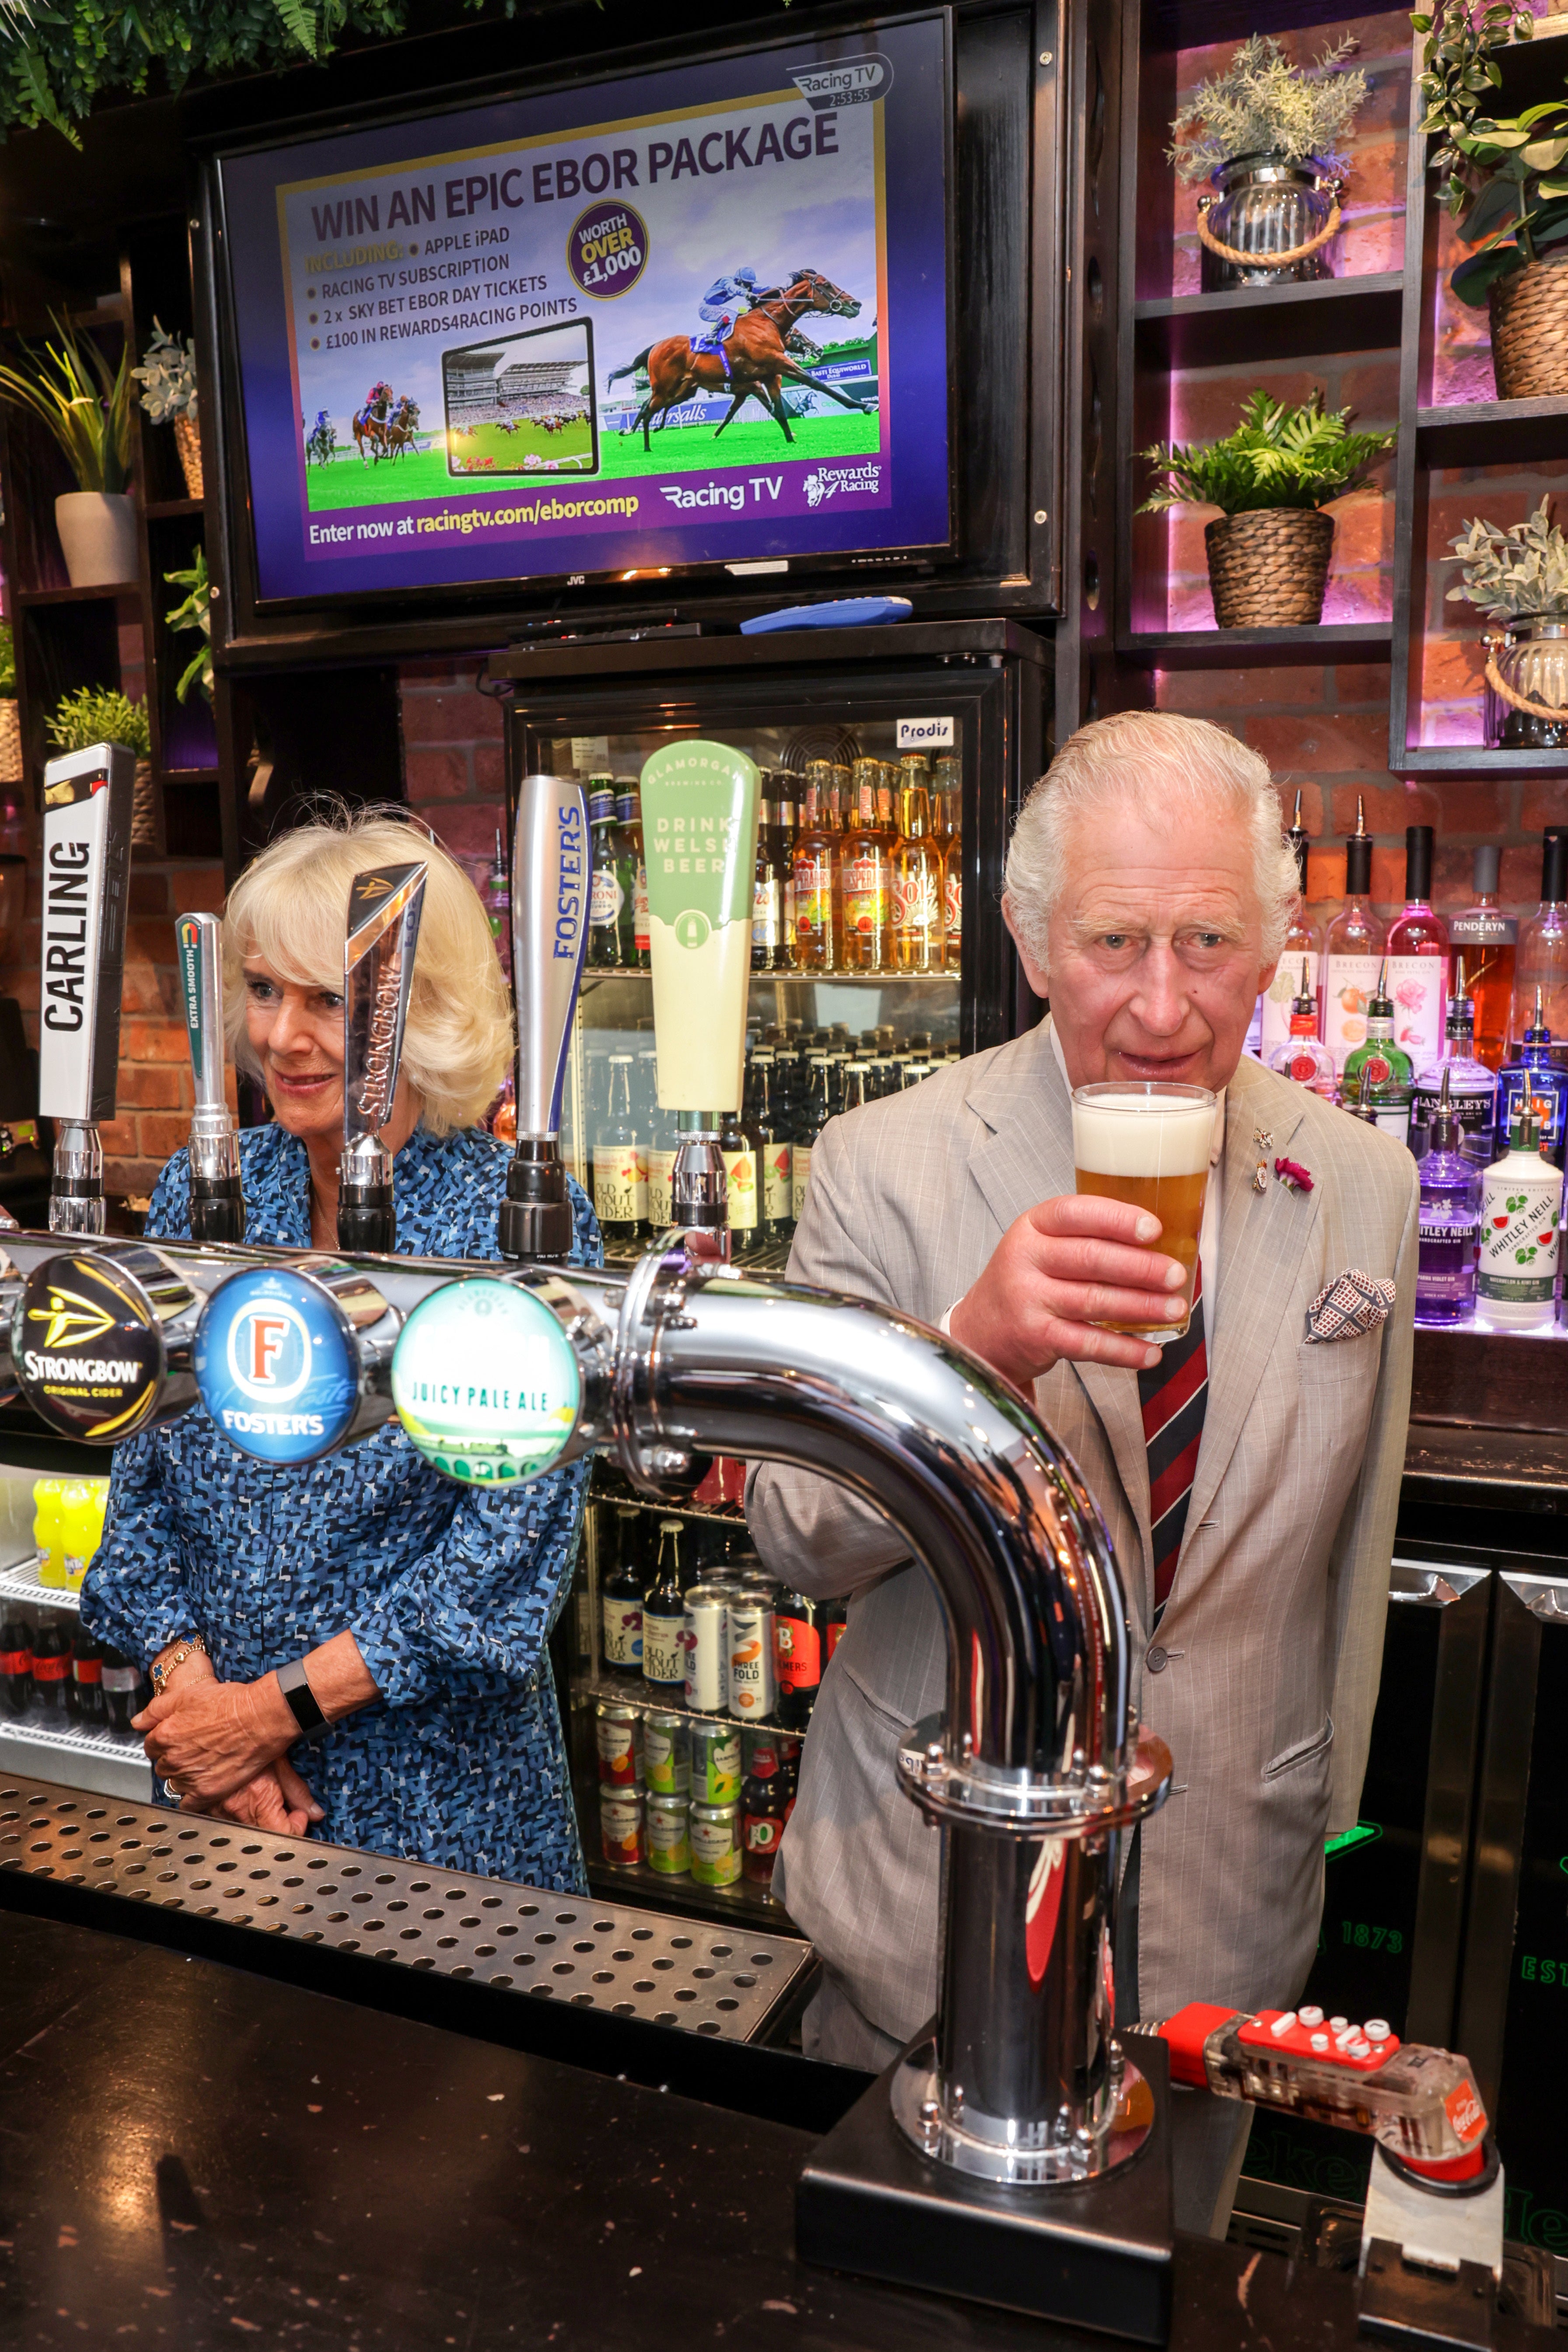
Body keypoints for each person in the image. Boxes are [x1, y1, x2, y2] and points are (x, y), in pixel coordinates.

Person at [746, 712, 1418, 2234]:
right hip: (932, 1915)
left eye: (1208, 940)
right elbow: (793, 1533)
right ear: (1032, 936)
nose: (1165, 1001)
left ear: (1274, 944)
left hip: (1225, 1915)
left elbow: (1353, 1550)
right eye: (1116, 939)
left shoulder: (1358, 1181)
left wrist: (1320, 1812)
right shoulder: (887, 1159)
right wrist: (967, 1351)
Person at [81, 809, 600, 1889]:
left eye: (330, 1000)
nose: (282, 1038)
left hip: (441, 1800)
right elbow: (143, 1488)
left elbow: (504, 1563)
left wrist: (271, 1714)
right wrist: (209, 1724)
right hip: (221, 1793)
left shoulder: (518, 1223)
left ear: (424, 1014)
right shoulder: (208, 1190)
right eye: (265, 989)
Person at [693, 267, 758, 352]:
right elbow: (733, 288)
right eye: (747, 284)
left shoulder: (740, 285)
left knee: (738, 318)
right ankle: (712, 336)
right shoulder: (726, 281)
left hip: (713, 307)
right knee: (729, 316)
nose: (748, 287)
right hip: (705, 308)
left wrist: (777, 290)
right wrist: (746, 293)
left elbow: (759, 289)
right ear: (739, 280)